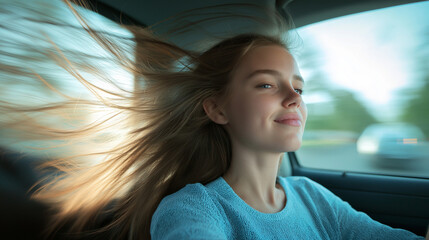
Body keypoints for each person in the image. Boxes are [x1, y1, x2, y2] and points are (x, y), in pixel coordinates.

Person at [0, 1, 425, 239]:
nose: (295, 96)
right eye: (265, 85)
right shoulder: (192, 210)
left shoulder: (314, 197)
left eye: (299, 86)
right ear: (217, 108)